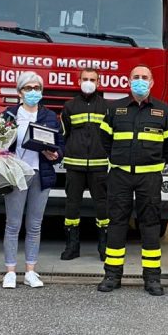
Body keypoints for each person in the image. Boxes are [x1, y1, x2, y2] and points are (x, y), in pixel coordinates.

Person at [96, 65, 168, 296]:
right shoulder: (115, 109)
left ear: (152, 83)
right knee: (117, 223)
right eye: (136, 78)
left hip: (149, 176)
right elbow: (104, 139)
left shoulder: (164, 111)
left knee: (150, 225)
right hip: (120, 175)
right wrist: (117, 158)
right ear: (128, 81)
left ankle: (152, 278)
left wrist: (155, 162)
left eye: (144, 78)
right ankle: (112, 274)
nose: (140, 81)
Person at [0, 72, 65, 288]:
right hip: (17, 174)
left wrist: (56, 155)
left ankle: (30, 271)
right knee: (13, 224)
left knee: (35, 225)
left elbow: (60, 144)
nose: (33, 92)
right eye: (28, 88)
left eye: (37, 88)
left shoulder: (49, 116)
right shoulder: (8, 115)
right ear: (19, 92)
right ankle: (10, 271)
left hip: (40, 174)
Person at [59, 65, 110, 261]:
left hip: (99, 165)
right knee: (72, 207)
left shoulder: (107, 107)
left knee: (102, 207)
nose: (88, 83)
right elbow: (64, 135)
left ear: (98, 83)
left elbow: (109, 136)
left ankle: (103, 246)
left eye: (92, 80)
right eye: (85, 79)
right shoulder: (69, 106)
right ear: (79, 82)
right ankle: (72, 246)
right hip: (75, 165)